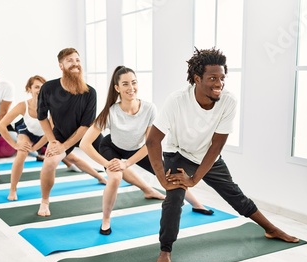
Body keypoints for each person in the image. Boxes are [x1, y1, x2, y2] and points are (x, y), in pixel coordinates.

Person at [146, 48, 299, 262]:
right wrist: (162, 179)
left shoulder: (228, 101)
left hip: (208, 153)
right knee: (174, 199)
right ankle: (165, 249)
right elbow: (153, 141)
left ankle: (271, 229)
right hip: (178, 153)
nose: (219, 83)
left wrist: (195, 179)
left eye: (222, 78)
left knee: (234, 193)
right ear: (197, 79)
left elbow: (217, 144)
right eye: (212, 78)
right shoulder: (177, 101)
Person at [80, 66, 213, 235]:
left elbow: (151, 143)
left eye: (134, 83)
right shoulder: (110, 112)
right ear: (117, 88)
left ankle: (196, 204)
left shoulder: (149, 108)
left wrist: (127, 163)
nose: (131, 88)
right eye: (125, 84)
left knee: (168, 175)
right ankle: (106, 219)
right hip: (112, 147)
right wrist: (108, 164)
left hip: (138, 149)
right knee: (115, 178)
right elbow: (85, 143)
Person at [37, 47, 106, 217]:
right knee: (49, 164)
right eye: (70, 60)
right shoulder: (49, 88)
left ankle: (147, 189)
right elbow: (42, 117)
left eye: (77, 60)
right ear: (61, 66)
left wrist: (65, 146)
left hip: (87, 134)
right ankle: (44, 201)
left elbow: (85, 125)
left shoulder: (90, 92)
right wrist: (53, 142)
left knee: (113, 161)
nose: (75, 64)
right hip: (60, 134)